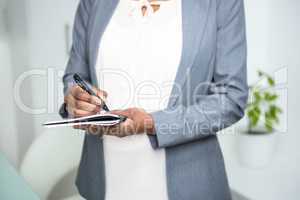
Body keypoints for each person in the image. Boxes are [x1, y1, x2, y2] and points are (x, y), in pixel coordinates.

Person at [60, 0, 248, 199]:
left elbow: (231, 98)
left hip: (190, 186)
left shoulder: (221, 4)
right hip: (103, 184)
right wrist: (77, 98)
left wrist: (153, 123)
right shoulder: (93, 3)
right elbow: (75, 75)